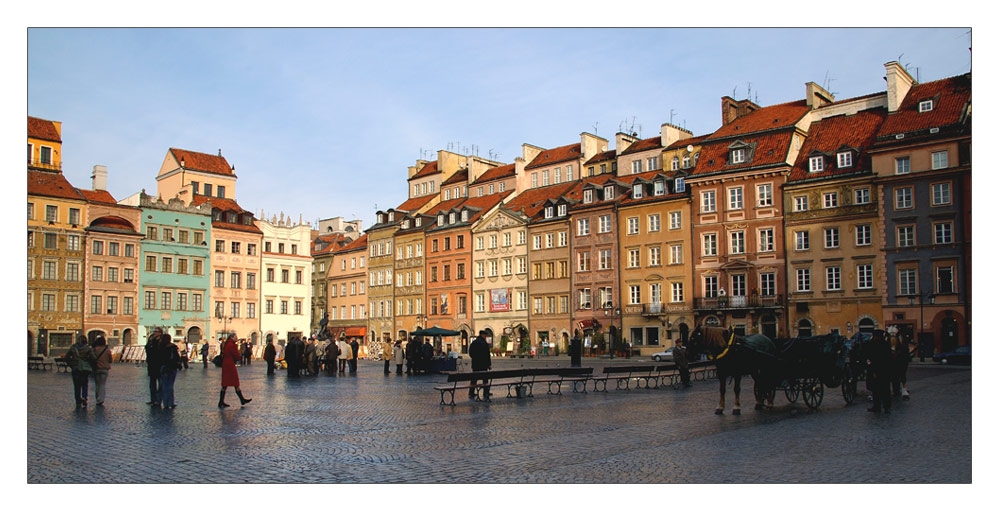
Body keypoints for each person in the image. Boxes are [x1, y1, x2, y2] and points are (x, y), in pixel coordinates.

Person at [219, 333, 251, 408]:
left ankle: (221, 401)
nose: (237, 338)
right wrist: (241, 352)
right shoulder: (232, 345)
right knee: (234, 383)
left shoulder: (227, 344)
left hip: (226, 365)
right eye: (235, 337)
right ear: (232, 337)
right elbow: (237, 356)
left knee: (225, 384)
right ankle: (241, 399)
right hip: (230, 365)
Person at [65, 335, 96, 408]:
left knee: (77, 386)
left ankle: (78, 401)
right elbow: (93, 358)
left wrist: (71, 365)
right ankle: (84, 397)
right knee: (84, 384)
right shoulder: (87, 348)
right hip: (84, 368)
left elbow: (67, 357)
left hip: (75, 368)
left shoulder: (73, 347)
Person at [866, 330, 892, 414]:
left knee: (876, 389)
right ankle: (886, 406)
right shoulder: (886, 344)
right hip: (885, 370)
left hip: (876, 369)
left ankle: (877, 406)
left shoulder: (873, 344)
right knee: (885, 389)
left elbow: (870, 356)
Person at [159, 334, 181, 409]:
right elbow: (177, 357)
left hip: (164, 367)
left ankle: (165, 403)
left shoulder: (161, 347)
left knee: (164, 386)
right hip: (172, 367)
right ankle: (171, 403)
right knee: (170, 386)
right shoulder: (173, 347)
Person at [469, 330, 492, 400]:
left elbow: (470, 353)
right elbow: (487, 355)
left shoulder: (474, 342)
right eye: (485, 335)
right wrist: (489, 364)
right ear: (483, 335)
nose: (485, 337)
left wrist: (475, 358)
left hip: (475, 364)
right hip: (483, 365)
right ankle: (486, 392)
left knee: (474, 379)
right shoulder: (484, 343)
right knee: (485, 379)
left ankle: (471, 392)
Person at [91, 334, 112, 406]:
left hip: (97, 368)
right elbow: (110, 360)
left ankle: (97, 398)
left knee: (97, 384)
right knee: (102, 384)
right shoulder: (107, 350)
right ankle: (101, 399)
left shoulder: (94, 349)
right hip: (105, 369)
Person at [145, 329, 163, 407]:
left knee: (161, 384)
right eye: (154, 331)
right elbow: (147, 350)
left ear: (160, 333)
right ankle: (153, 400)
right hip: (152, 365)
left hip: (159, 365)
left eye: (156, 332)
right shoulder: (151, 341)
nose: (154, 333)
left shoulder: (162, 342)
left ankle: (158, 400)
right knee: (152, 384)